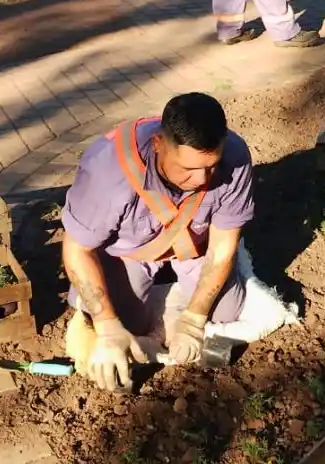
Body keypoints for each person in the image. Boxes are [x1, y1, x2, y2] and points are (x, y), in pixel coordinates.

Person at [61, 92, 253, 391]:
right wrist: (107, 326)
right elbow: (76, 249)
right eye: (189, 169)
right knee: (123, 326)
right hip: (128, 253)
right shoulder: (108, 169)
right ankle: (139, 310)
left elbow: (223, 245)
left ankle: (177, 305)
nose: (203, 179)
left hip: (193, 247)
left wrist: (194, 318)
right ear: (158, 145)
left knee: (226, 312)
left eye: (211, 166)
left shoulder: (235, 156)